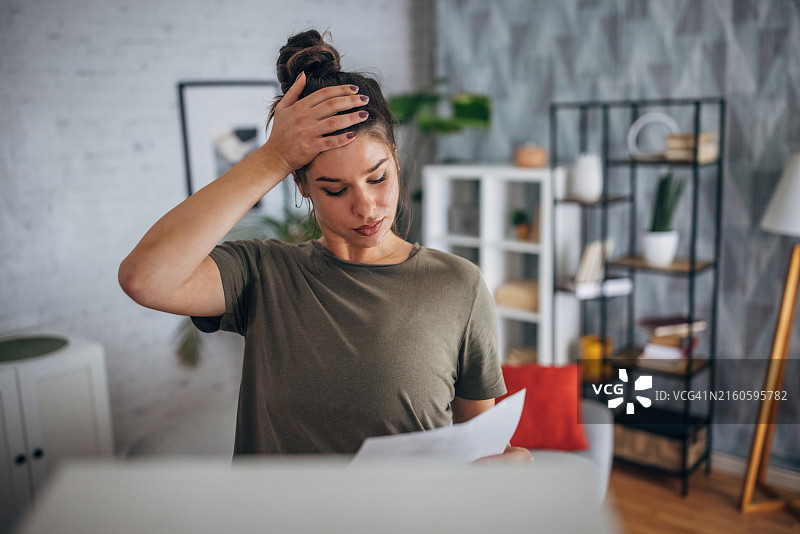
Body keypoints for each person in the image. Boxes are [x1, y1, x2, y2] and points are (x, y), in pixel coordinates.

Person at [119, 30, 531, 463]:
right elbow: (144, 278)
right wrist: (274, 157)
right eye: (335, 189)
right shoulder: (263, 274)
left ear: (395, 157)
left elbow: (477, 450)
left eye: (378, 177)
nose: (366, 207)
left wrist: (503, 468)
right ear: (302, 185)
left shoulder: (459, 285)